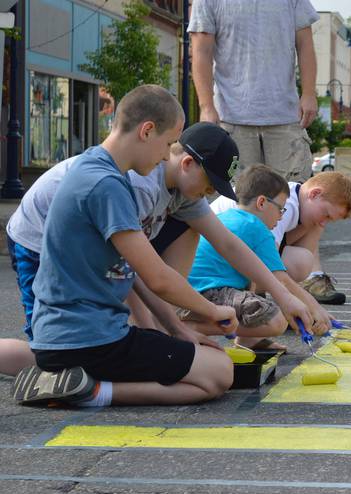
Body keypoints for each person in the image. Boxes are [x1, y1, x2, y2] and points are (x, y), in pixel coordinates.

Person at [6, 85, 245, 407]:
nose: (165, 156)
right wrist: (213, 310)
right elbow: (157, 277)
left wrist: (176, 330)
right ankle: (91, 392)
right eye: (167, 143)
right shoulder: (109, 186)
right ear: (147, 131)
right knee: (219, 372)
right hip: (90, 339)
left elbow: (133, 273)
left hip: (74, 334)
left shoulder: (94, 169)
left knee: (201, 364)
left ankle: (74, 381)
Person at [4, 122, 320, 348]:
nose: (209, 193)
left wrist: (283, 295)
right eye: (209, 183)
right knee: (49, 349)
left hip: (91, 246)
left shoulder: (181, 189)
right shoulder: (140, 185)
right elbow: (134, 269)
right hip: (36, 240)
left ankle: (147, 332)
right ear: (186, 163)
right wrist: (160, 331)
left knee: (89, 343)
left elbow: (226, 242)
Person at [181, 165, 331, 349]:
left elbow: (253, 281)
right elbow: (280, 280)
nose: (280, 217)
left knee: (251, 288)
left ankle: (247, 339)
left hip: (186, 292)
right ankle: (191, 327)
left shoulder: (225, 216)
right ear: (262, 203)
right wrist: (310, 307)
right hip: (210, 291)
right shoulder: (257, 228)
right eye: (281, 209)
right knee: (276, 320)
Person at [189, 0, 319, 181]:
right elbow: (201, 52)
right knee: (237, 200)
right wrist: (206, 107)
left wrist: (309, 94)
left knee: (291, 200)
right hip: (230, 120)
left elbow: (305, 45)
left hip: (285, 119)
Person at [211, 171, 351, 305]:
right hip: (212, 257)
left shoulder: (299, 199)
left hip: (225, 250)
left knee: (303, 257)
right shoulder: (287, 205)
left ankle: (254, 291)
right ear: (314, 194)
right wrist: (297, 305)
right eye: (326, 214)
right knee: (296, 264)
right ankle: (247, 293)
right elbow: (272, 265)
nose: (324, 222)